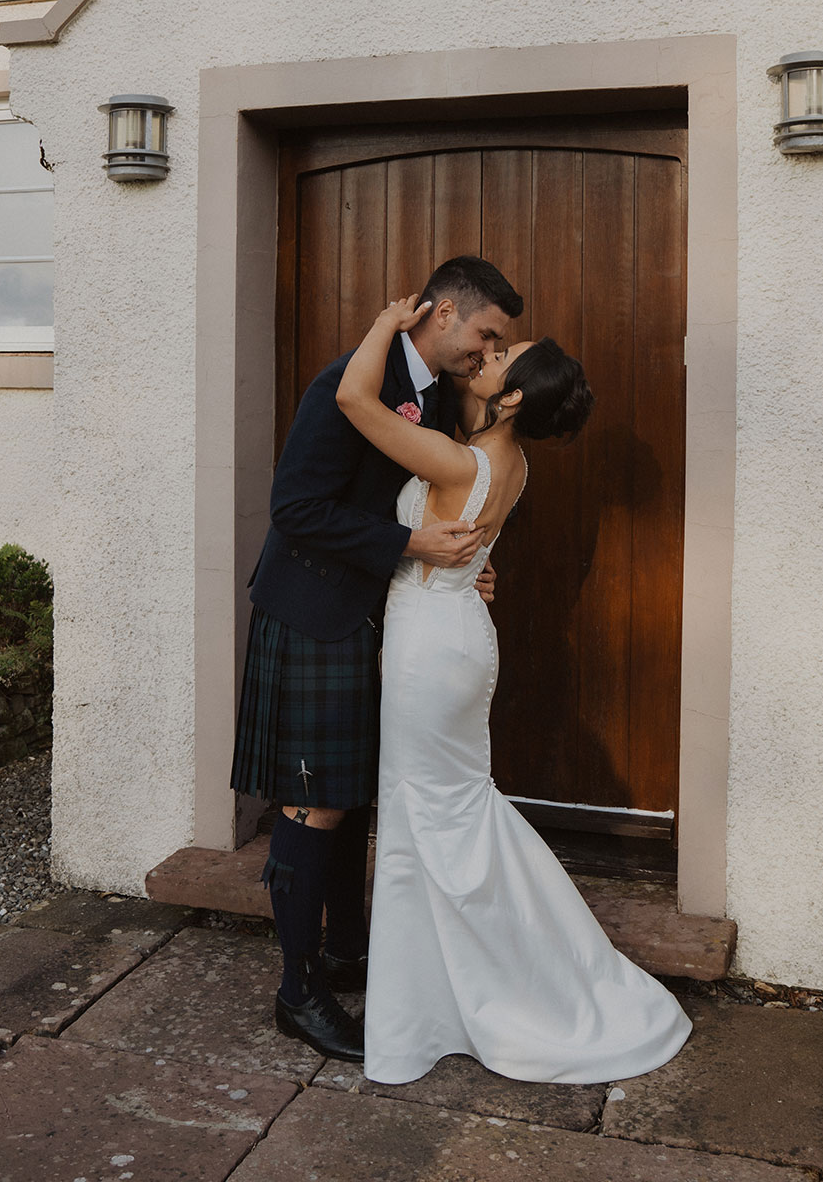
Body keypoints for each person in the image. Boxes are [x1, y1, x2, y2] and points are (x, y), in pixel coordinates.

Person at [336, 296, 693, 1085]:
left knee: (428, 817)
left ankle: (459, 1004)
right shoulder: (511, 465)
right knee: (449, 813)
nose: (487, 356)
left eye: (501, 357)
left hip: (431, 649)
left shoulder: (459, 461)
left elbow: (354, 400)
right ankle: (441, 999)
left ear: (515, 397)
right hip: (459, 632)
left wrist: (389, 324)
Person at [230, 255, 524, 1063]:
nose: (488, 352)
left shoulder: (441, 398)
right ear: (441, 313)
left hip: (371, 618)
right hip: (311, 615)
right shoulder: (348, 382)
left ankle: (347, 954)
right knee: (312, 803)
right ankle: (298, 993)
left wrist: (459, 564)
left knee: (351, 798)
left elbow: (437, 496)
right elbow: (295, 507)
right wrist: (410, 544)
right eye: (485, 334)